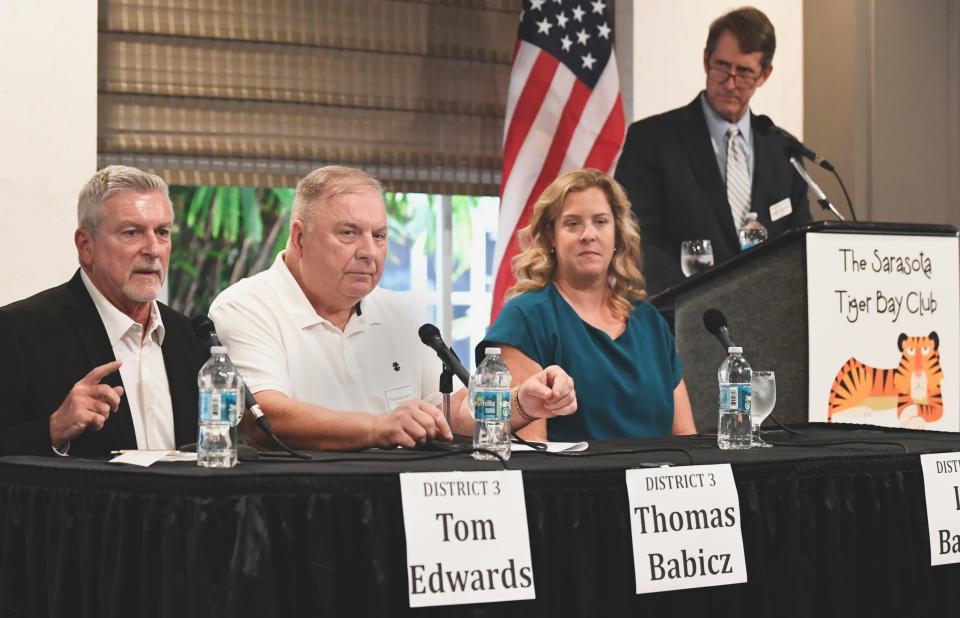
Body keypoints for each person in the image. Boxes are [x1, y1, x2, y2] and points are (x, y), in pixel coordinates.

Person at [209, 165, 576, 450]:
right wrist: (379, 426)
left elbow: (454, 412)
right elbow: (265, 418)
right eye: (348, 233)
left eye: (379, 236)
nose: (369, 251)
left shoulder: (402, 316)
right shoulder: (245, 308)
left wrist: (520, 403)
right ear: (300, 238)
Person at [0, 166, 209, 457]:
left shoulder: (189, 336)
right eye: (131, 232)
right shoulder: (19, 331)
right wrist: (54, 428)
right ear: (86, 246)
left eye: (162, 232)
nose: (153, 248)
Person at [480, 168, 696, 442]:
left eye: (601, 221)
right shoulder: (525, 318)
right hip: (573, 483)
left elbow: (686, 437)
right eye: (572, 224)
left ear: (617, 234)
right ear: (551, 237)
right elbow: (533, 451)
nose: (588, 234)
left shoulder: (650, 320)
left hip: (657, 483)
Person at [614, 6, 812, 295]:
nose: (730, 84)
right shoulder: (652, 139)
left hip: (769, 315)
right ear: (706, 60)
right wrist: (700, 294)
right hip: (681, 315)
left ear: (764, 75)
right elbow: (634, 237)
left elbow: (799, 240)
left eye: (744, 73)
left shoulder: (784, 150)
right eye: (721, 67)